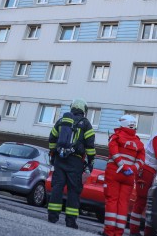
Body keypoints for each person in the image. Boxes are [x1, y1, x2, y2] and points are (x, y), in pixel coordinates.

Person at [47, 98, 96, 230]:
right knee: (73, 190)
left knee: (57, 187)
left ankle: (52, 216)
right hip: (75, 162)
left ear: (72, 108)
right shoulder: (86, 124)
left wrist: (53, 154)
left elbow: (52, 138)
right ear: (84, 110)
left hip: (60, 160)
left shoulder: (62, 121)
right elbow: (90, 146)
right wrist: (90, 162)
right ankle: (70, 221)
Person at [102, 115, 145, 236]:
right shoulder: (138, 142)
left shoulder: (116, 136)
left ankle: (109, 232)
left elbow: (113, 152)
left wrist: (123, 166)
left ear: (124, 124)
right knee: (123, 203)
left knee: (112, 200)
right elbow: (141, 160)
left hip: (114, 172)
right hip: (129, 176)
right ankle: (118, 232)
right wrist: (132, 169)